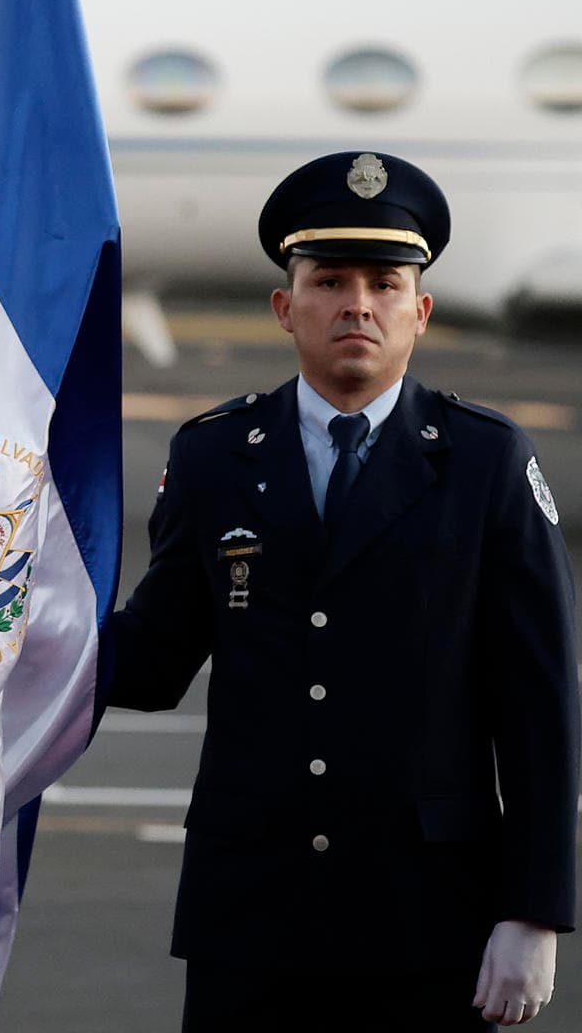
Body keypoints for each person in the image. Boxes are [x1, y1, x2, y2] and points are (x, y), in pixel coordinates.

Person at [106, 152, 579, 1031]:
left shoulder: (485, 462)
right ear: (286, 308)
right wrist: (0, 622)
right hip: (251, 919)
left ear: (419, 311)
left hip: (431, 922)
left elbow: (539, 703)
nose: (357, 302)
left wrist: (535, 911)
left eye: (385, 282)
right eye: (329, 280)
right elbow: (151, 661)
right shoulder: (215, 456)